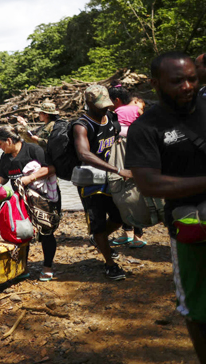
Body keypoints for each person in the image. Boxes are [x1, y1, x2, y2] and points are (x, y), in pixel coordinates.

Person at [126, 52, 206, 362]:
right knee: (198, 310)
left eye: (192, 79)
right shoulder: (146, 128)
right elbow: (149, 184)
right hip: (190, 229)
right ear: (155, 83)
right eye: (177, 81)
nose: (186, 86)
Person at [72, 84, 131, 281]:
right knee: (97, 223)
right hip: (90, 182)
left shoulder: (111, 118)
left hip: (110, 178)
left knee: (119, 217)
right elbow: (84, 154)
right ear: (88, 103)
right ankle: (110, 265)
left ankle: (99, 238)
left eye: (107, 104)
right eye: (100, 105)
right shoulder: (82, 125)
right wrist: (117, 169)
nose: (105, 108)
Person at [0, 127, 58, 281]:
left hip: (42, 199)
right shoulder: (5, 157)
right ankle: (22, 267)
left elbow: (51, 168)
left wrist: (30, 178)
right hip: (20, 200)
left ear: (9, 141)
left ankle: (47, 267)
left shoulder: (33, 150)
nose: (0, 147)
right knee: (21, 232)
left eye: (0, 143)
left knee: (46, 232)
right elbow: (3, 177)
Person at [108, 84, 145, 248]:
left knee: (122, 193)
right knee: (137, 192)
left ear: (116, 100)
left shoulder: (114, 113)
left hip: (119, 155)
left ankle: (131, 233)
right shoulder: (137, 110)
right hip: (138, 154)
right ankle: (136, 235)